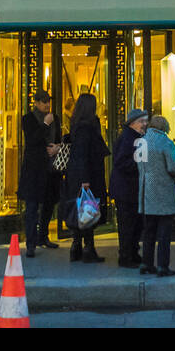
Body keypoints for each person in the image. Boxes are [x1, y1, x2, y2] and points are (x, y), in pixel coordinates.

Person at [63, 92, 108, 263]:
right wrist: (85, 180)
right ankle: (89, 249)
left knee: (81, 209)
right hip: (87, 175)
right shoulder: (87, 126)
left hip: (77, 175)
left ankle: (76, 247)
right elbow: (83, 154)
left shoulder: (76, 124)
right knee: (88, 210)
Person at [18, 90, 61, 258]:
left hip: (51, 168)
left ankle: (43, 236)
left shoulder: (54, 118)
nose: (47, 105)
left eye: (48, 101)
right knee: (32, 206)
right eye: (43, 102)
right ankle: (31, 243)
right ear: (35, 102)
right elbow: (32, 140)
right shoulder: (28, 119)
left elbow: (58, 138)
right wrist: (45, 124)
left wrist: (57, 147)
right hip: (34, 169)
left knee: (49, 204)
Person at [138, 114, 175, 277]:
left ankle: (146, 263)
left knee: (149, 232)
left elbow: (138, 166)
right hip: (163, 193)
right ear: (165, 127)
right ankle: (163, 266)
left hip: (146, 191)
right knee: (164, 233)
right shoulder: (165, 142)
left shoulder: (141, 142)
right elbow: (173, 167)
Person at [111, 108, 149, 267]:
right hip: (126, 190)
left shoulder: (135, 137)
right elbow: (120, 162)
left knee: (134, 225)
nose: (145, 124)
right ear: (132, 123)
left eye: (146, 121)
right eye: (142, 121)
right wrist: (140, 165)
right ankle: (126, 256)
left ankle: (132, 253)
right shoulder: (128, 138)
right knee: (128, 225)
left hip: (131, 190)